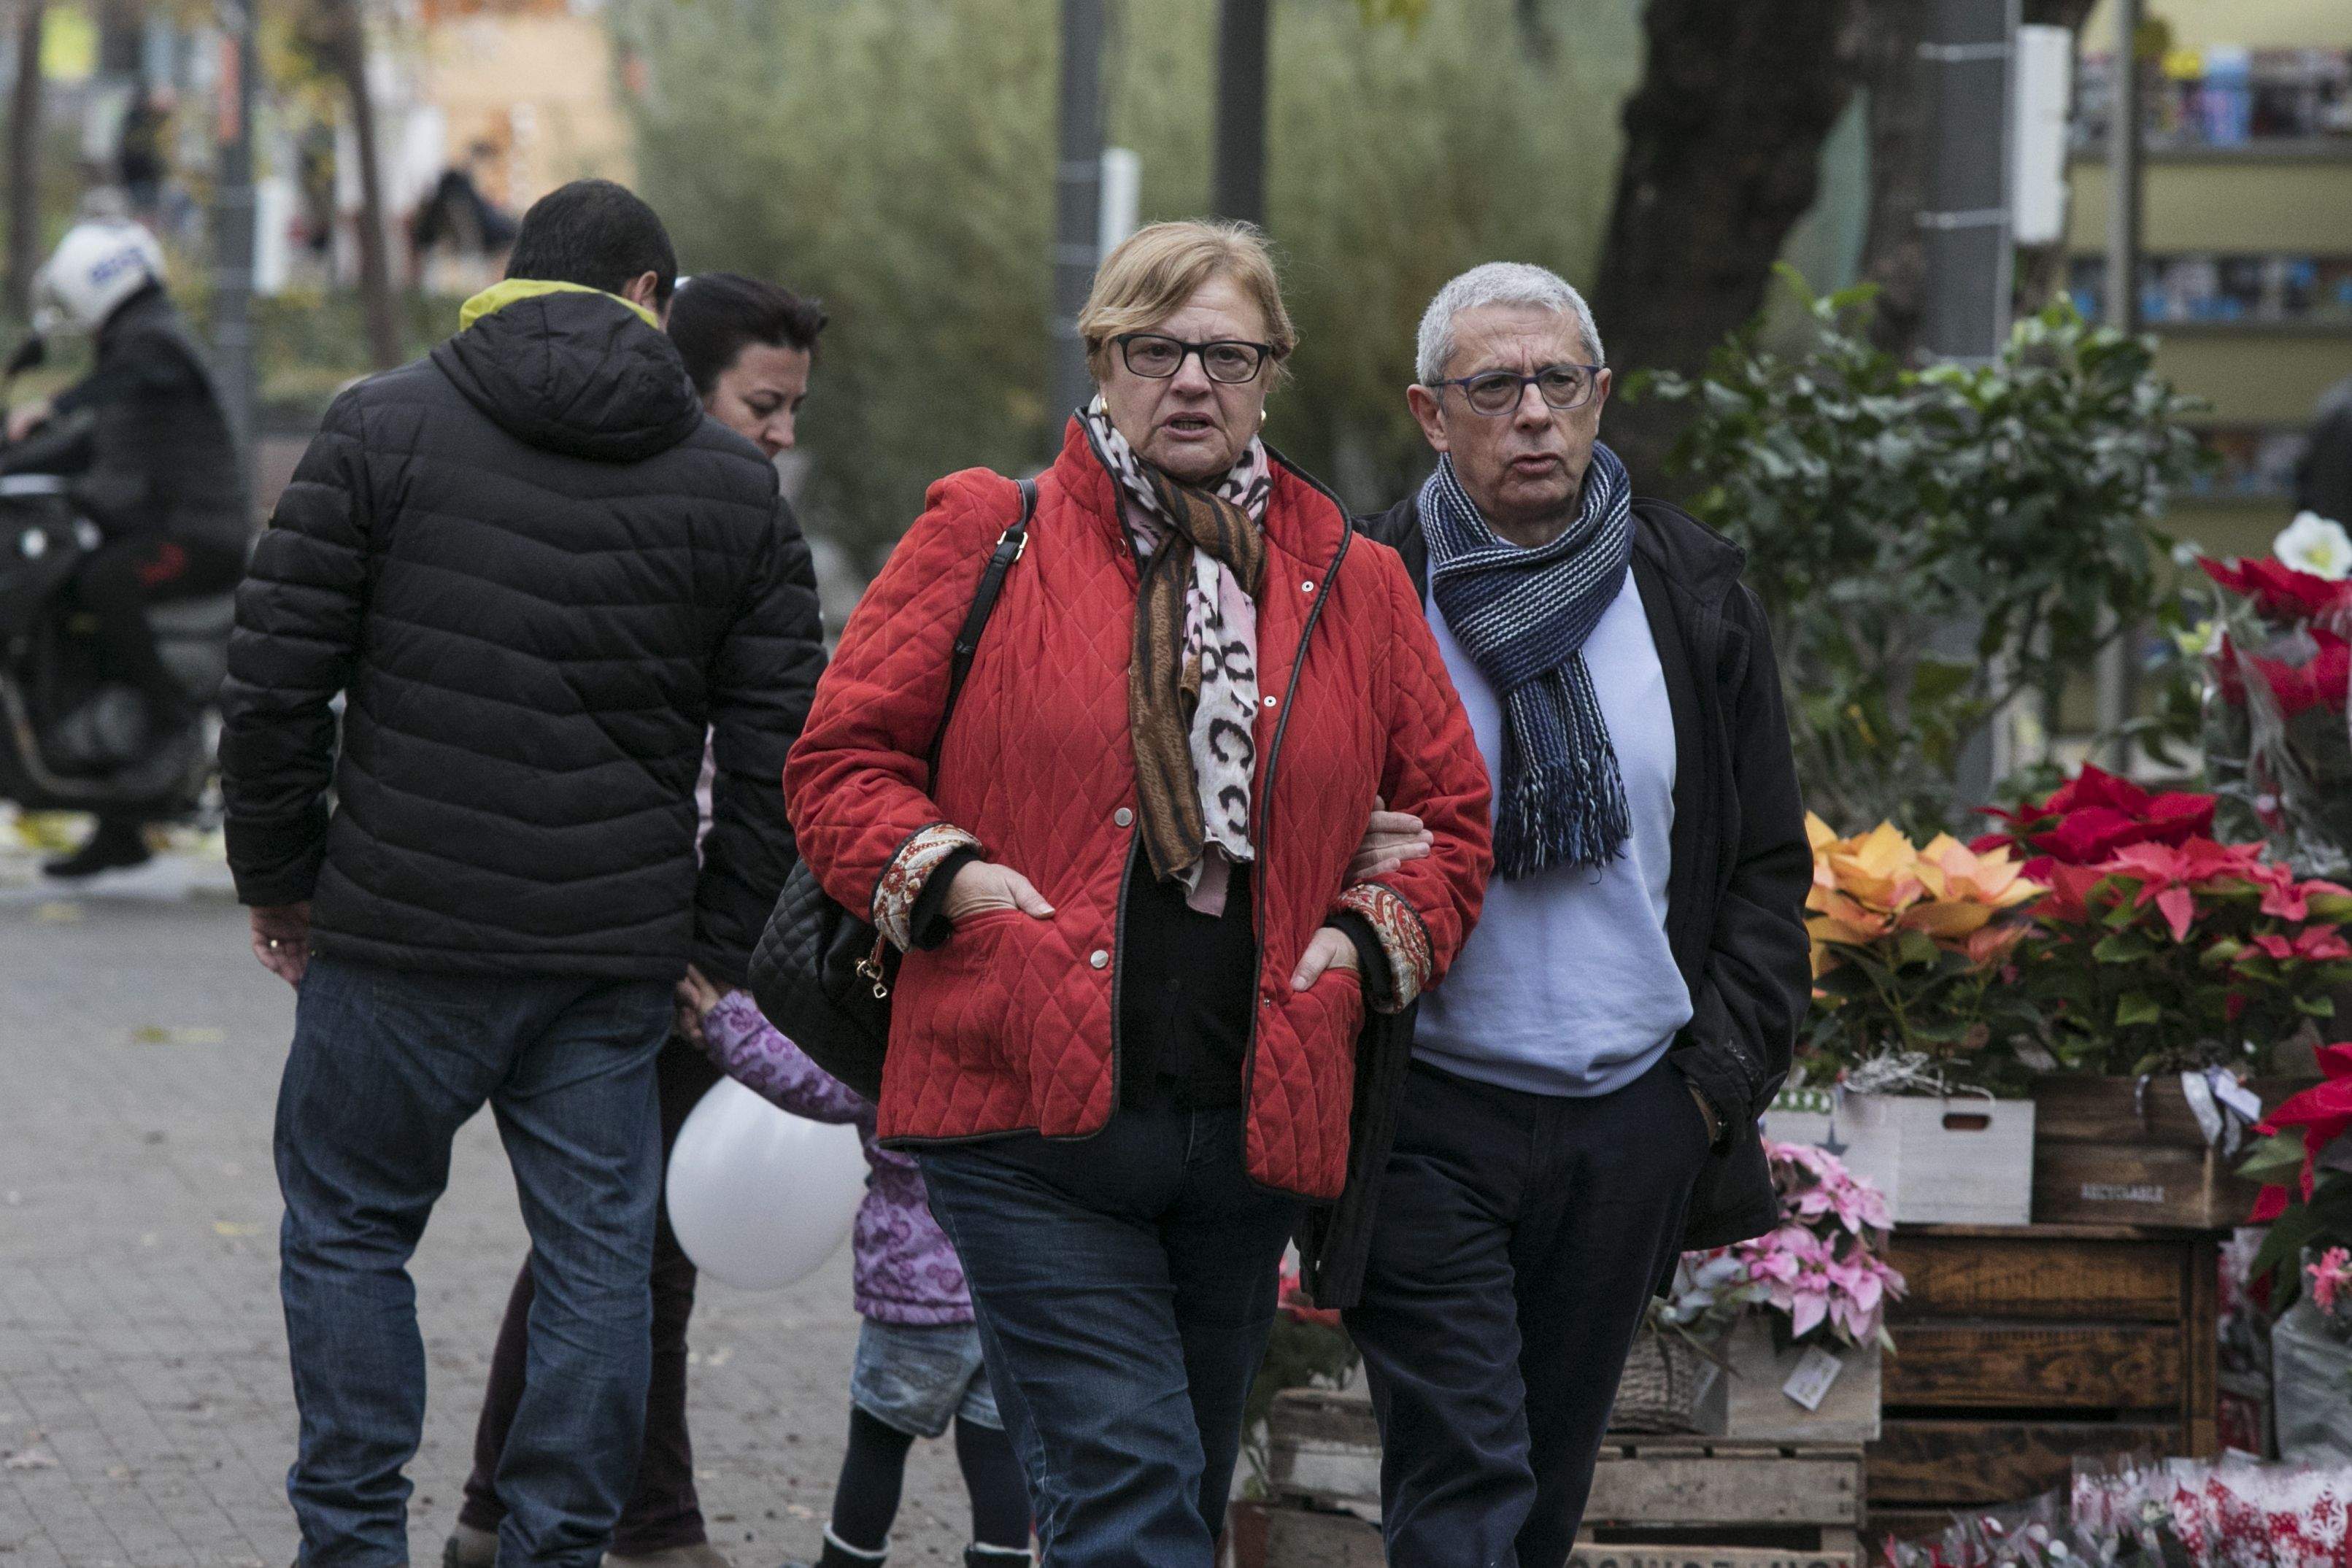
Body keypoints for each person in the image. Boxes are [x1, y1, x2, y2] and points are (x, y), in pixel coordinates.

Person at [782, 219, 1492, 1567]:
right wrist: (961, 882)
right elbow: (838, 764)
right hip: (1022, 1104)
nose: (1189, 380)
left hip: (1247, 1115)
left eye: (1225, 352)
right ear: (1101, 359)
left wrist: (1360, 941)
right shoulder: (989, 528)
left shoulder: (1352, 578)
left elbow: (1455, 821)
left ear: (1270, 372)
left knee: (1174, 1484)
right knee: (1129, 1493)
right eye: (1153, 347)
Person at [218, 179, 825, 1568]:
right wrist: (719, 941)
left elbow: (271, 685)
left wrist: (280, 875)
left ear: (511, 275)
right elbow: (786, 737)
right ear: (650, 300)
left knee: (351, 1232)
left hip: (392, 935)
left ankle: (353, 1540)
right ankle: (553, 1545)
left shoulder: (382, 422)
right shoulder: (731, 485)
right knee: (602, 1263)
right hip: (604, 965)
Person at [1327, 262, 1811, 1568]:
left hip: (1631, 1113)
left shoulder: (1691, 594)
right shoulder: (1358, 590)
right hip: (1425, 1109)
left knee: (1539, 1492)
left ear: (1598, 398)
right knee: (1462, 1470)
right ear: (1432, 414)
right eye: (1494, 386)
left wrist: (1705, 1089)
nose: (1531, 413)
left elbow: (1766, 862)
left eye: (1557, 383)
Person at [443, 271, 828, 1568]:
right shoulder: (670, 524)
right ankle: (647, 1528)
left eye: (789, 410)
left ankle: (499, 1507)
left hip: (680, 935)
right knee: (630, 1248)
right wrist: (699, 940)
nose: (779, 434)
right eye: (761, 404)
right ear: (689, 383)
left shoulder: (721, 518)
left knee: (603, 1237)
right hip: (649, 941)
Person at [676, 966, 1032, 1568]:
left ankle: (847, 1562)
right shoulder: (1025, 1042)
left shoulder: (896, 1046)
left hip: (915, 1296)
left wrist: (723, 1018)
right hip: (1010, 1289)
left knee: (878, 1439)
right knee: (997, 1448)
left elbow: (796, 1075)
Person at [12, 215, 250, 878]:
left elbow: (95, 414)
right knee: (75, 587)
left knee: (103, 581)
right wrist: (17, 450)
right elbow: (94, 434)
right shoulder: (137, 344)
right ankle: (120, 822)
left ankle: (172, 722)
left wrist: (52, 411)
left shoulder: (153, 343)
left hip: (196, 534)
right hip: (170, 525)